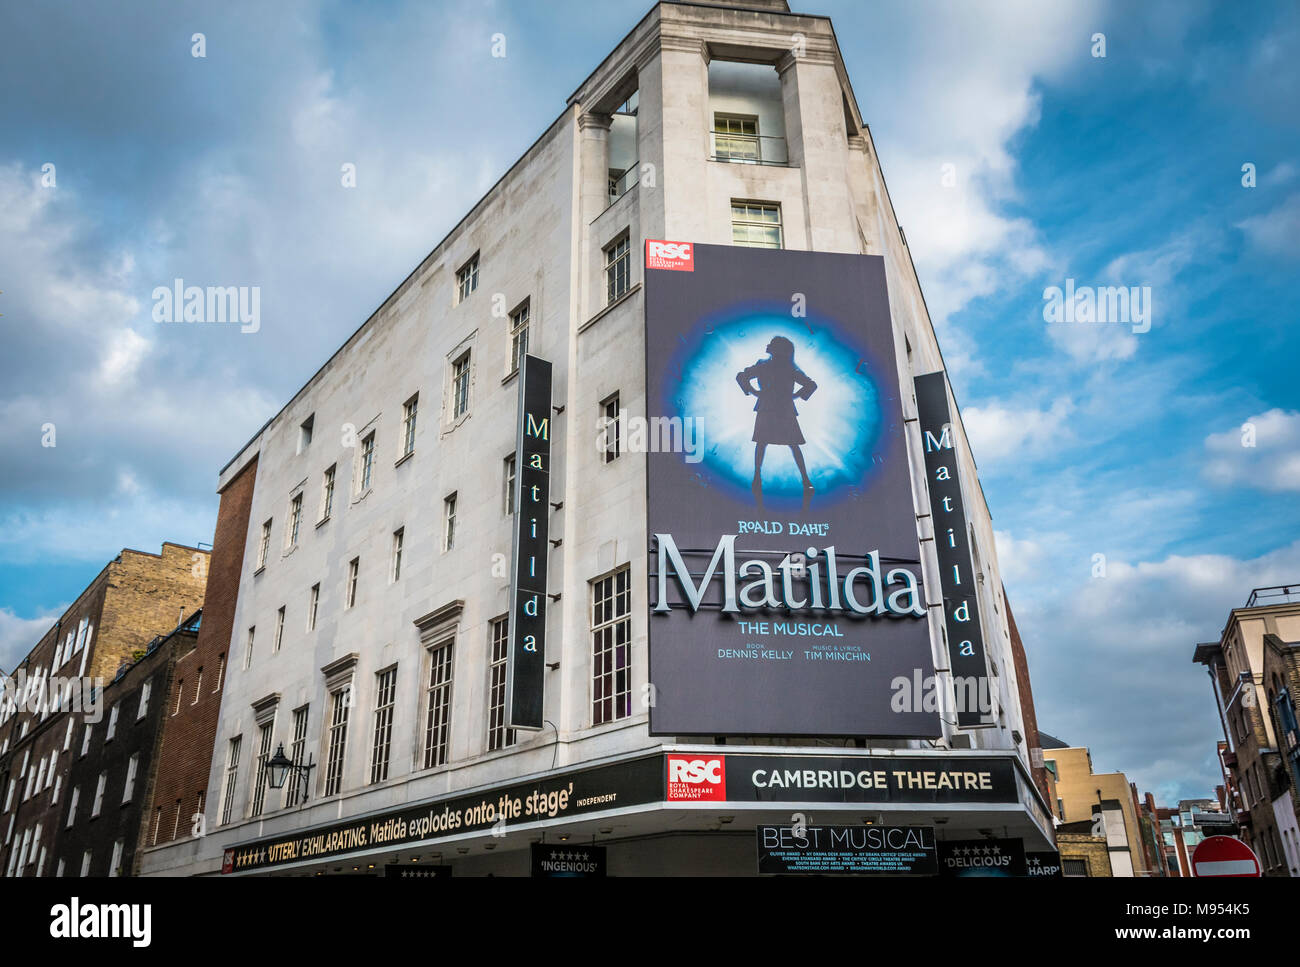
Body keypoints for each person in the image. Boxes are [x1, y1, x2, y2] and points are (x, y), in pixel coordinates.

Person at [735, 336, 817, 508]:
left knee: (776, 443)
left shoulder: (784, 368)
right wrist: (754, 392)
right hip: (775, 408)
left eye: (772, 344)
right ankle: (759, 476)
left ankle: (801, 479)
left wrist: (754, 392)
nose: (768, 345)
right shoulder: (772, 366)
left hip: (778, 408)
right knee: (768, 443)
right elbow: (741, 376)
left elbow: (810, 385)